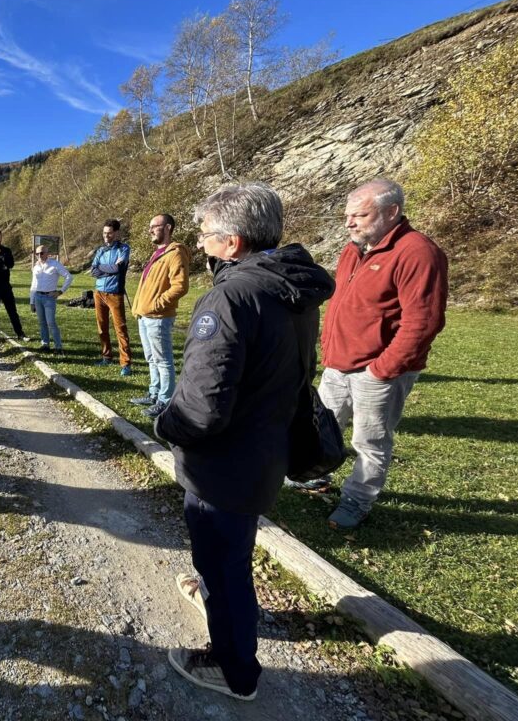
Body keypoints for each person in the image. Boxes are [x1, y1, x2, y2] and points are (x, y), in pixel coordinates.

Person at [155, 182, 334, 702]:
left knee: (222, 559)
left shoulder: (232, 294)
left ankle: (235, 669)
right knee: (230, 550)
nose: (202, 242)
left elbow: (203, 404)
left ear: (233, 242)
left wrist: (167, 425)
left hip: (226, 462)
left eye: (207, 234)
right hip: (264, 448)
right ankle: (220, 599)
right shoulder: (290, 287)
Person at [311, 178, 448, 530]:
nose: (349, 222)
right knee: (323, 426)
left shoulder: (417, 252)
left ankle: (356, 500)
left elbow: (423, 322)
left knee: (369, 440)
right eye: (347, 215)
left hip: (377, 370)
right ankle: (315, 476)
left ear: (392, 212)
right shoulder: (353, 249)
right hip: (338, 363)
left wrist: (383, 368)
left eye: (359, 215)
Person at [130, 214, 190, 418]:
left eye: (154, 226)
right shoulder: (158, 254)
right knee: (151, 358)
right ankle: (154, 393)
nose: (150, 230)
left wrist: (157, 304)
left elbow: (180, 286)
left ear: (167, 227)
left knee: (163, 360)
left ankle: (165, 400)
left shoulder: (175, 253)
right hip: (144, 315)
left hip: (158, 317)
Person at [90, 219, 132, 376]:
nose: (106, 236)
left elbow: (118, 268)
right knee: (102, 327)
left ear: (116, 233)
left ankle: (126, 363)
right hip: (99, 292)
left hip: (115, 293)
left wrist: (103, 269)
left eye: (109, 233)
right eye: (104, 233)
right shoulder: (100, 250)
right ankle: (106, 356)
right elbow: (93, 271)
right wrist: (108, 269)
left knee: (120, 328)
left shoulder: (124, 248)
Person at [29, 244, 72, 354]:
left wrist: (60, 291)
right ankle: (45, 345)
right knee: (42, 322)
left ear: (47, 253)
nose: (39, 255)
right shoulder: (36, 266)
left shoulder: (55, 264)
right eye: (37, 253)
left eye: (42, 253)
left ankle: (58, 347)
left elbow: (69, 277)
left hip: (49, 297)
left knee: (51, 323)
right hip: (38, 297)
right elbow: (33, 285)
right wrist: (32, 301)